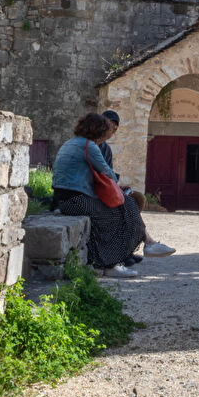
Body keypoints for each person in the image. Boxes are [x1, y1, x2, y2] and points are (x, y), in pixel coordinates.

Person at [51, 112, 174, 278]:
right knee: (124, 209)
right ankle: (115, 262)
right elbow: (108, 174)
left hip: (64, 199)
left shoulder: (71, 143)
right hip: (76, 200)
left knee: (123, 208)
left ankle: (142, 247)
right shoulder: (90, 145)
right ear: (99, 131)